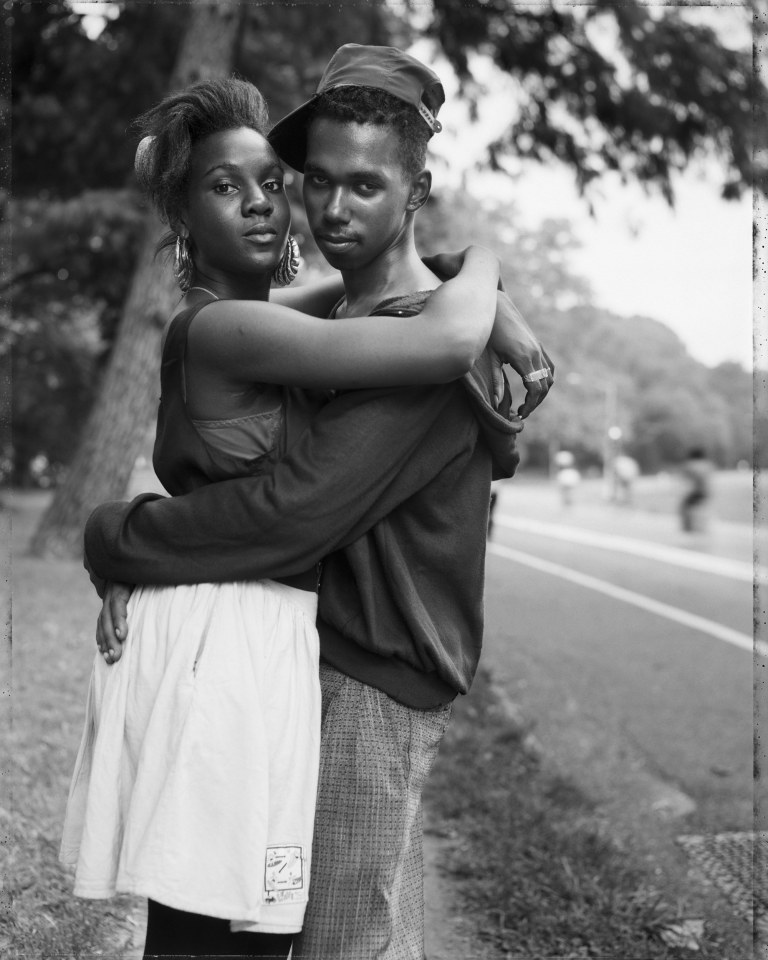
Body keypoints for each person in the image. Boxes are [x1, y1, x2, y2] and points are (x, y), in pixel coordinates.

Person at [85, 44, 554, 960]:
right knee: (232, 927)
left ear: (415, 192)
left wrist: (118, 537)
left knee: (341, 942)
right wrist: (478, 271)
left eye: (367, 187)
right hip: (291, 661)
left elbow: (291, 512)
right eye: (319, 181)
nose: (328, 208)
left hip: (370, 682)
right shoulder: (330, 320)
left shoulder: (420, 343)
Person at [680, 447, 713, 532]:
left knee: (685, 508)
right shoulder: (707, 465)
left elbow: (684, 476)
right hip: (705, 493)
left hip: (697, 493)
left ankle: (689, 529)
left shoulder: (692, 465)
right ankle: (694, 528)